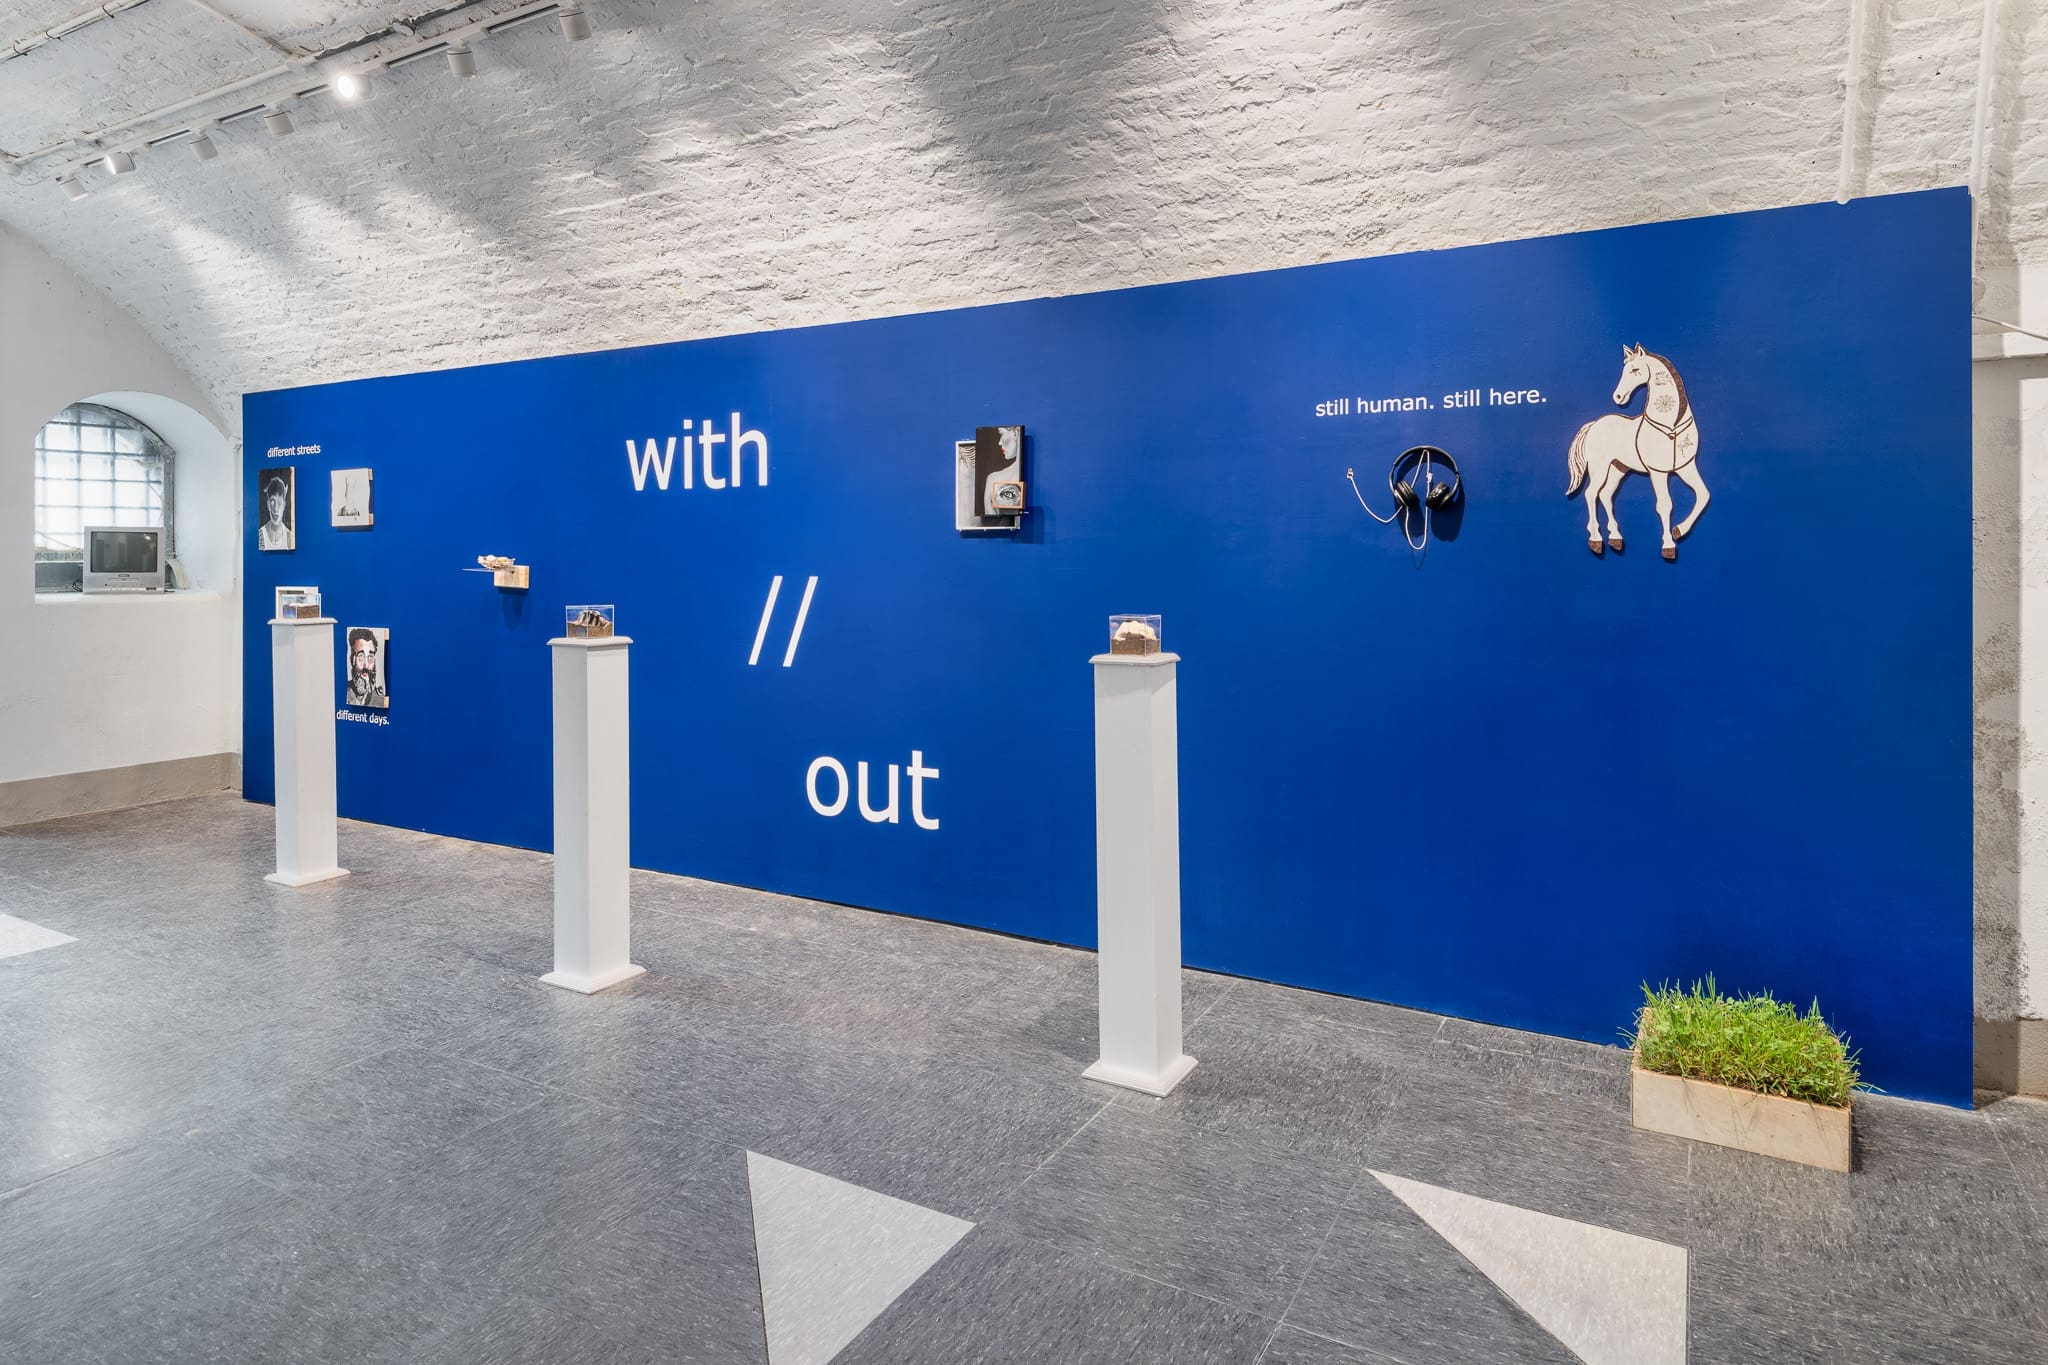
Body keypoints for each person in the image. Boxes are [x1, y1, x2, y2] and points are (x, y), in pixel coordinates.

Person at [346, 628, 388, 709]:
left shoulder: (380, 700)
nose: (366, 665)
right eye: (361, 657)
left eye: (370, 657)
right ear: (352, 660)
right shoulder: (345, 693)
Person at [258, 475, 292, 551]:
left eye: (279, 503)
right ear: (268, 505)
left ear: (284, 505)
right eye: (272, 501)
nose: (275, 509)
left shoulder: (289, 537)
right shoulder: (260, 536)